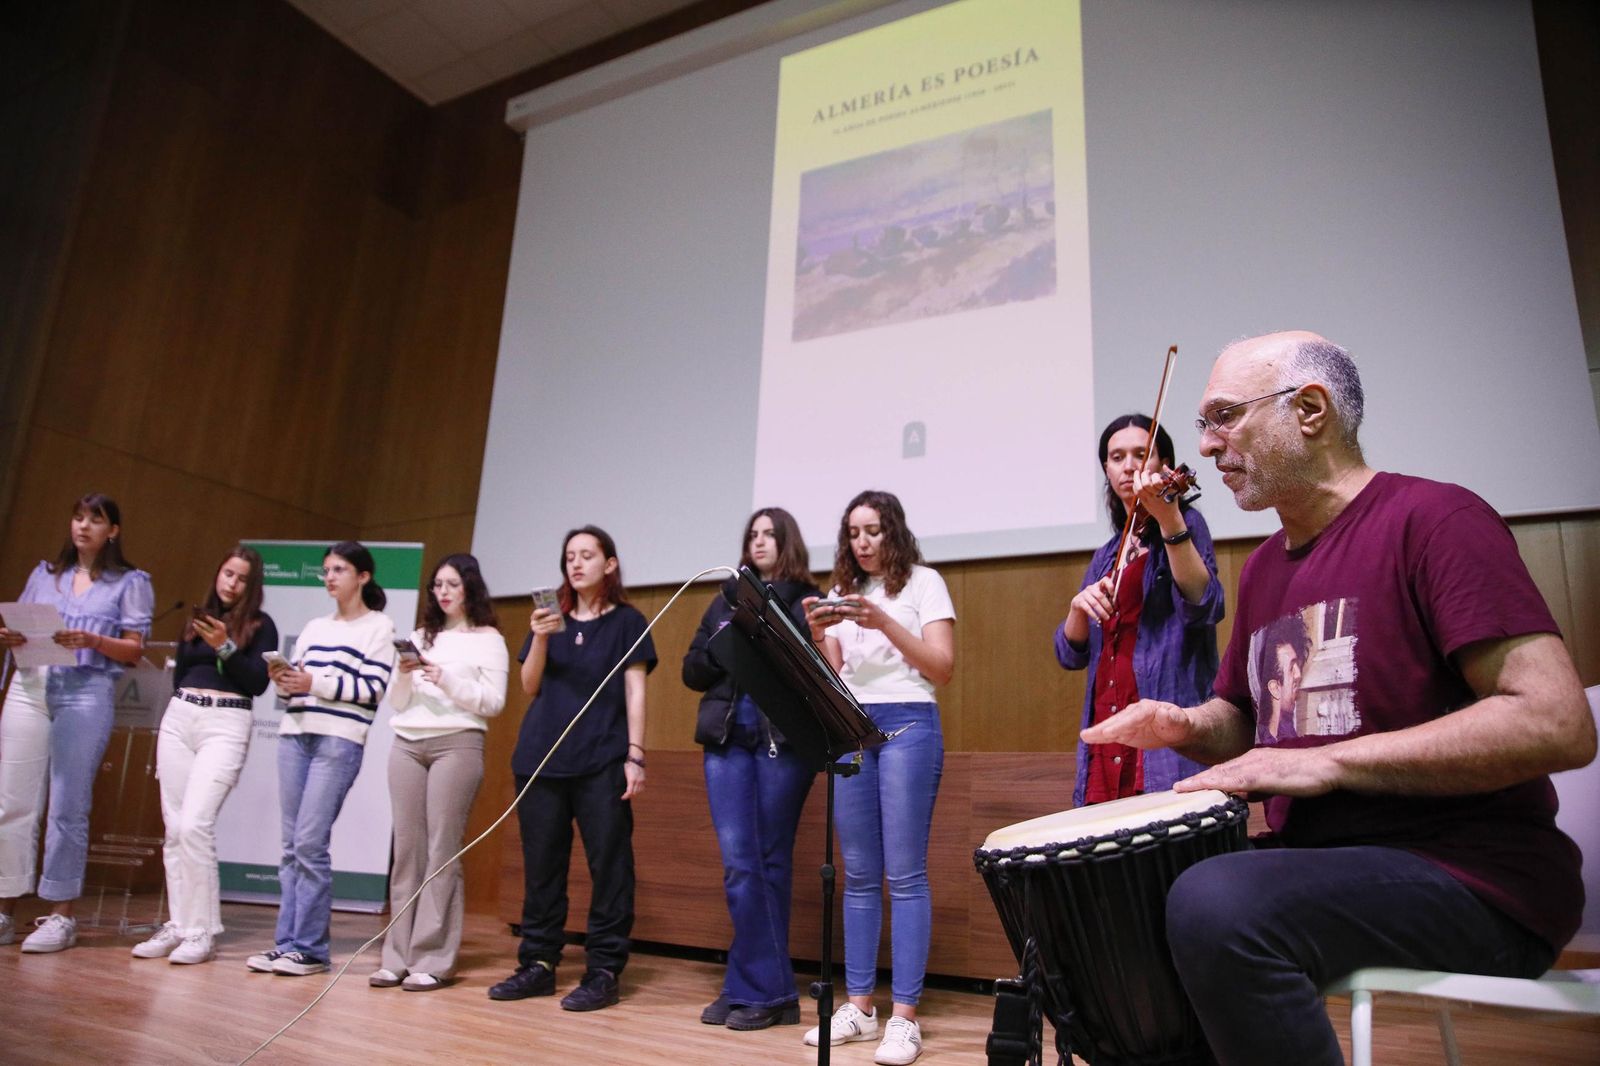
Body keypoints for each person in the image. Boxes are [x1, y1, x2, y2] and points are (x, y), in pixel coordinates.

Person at [1083, 331, 1596, 1065]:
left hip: (1475, 877)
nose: (1205, 444)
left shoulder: (1435, 522)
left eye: (1224, 416)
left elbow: (1556, 722)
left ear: (1312, 410)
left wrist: (1329, 764)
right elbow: (1244, 723)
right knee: (1127, 898)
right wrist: (1181, 723)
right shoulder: (1263, 569)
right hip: (1319, 865)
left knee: (1219, 904)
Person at [802, 490, 955, 1066]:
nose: (862, 542)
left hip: (910, 724)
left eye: (872, 531)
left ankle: (905, 1018)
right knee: (859, 873)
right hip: (853, 725)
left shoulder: (923, 582)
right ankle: (861, 1008)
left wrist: (883, 620)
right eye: (853, 533)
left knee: (905, 873)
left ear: (893, 531)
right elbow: (833, 676)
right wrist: (818, 631)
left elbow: (941, 667)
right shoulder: (846, 593)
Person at [490, 526, 656, 1013]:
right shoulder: (549, 620)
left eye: (587, 555)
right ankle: (538, 964)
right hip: (540, 760)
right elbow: (528, 685)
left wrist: (636, 755)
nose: (576, 563)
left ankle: (603, 969)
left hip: (602, 760)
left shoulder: (629, 622)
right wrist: (539, 639)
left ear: (609, 564)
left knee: (611, 867)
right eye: (569, 556)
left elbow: (636, 692)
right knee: (542, 867)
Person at [684, 508, 821, 1031]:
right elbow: (692, 669)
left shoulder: (804, 597)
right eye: (753, 534)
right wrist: (729, 646)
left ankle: (755, 987)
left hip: (781, 744)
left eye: (770, 534)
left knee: (767, 862)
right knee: (741, 864)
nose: (759, 541)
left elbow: (811, 670)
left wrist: (761, 636)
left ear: (787, 542)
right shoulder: (722, 599)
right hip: (725, 743)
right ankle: (765, 989)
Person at [0, 493, 154, 953]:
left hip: (85, 692)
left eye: (95, 519)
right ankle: (4, 909)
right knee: (12, 801)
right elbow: (17, 625)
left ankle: (61, 914)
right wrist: (9, 635)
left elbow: (134, 648)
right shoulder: (45, 574)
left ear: (113, 531)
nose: (83, 526)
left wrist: (92, 639)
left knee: (69, 804)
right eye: (78, 517)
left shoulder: (129, 582)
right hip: (30, 686)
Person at [1054, 414, 1224, 807]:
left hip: (1164, 742)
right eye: (1117, 457)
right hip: (1109, 734)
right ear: (1106, 469)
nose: (1128, 465)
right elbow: (1069, 653)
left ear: (1162, 465)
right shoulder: (1107, 554)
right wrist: (1077, 610)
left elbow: (1206, 605)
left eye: (1141, 454)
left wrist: (1169, 518)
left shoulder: (1186, 525)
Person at [248, 541, 395, 977]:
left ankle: (311, 948)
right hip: (296, 734)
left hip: (338, 739)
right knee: (292, 846)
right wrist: (286, 681)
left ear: (363, 576)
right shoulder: (314, 626)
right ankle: (286, 943)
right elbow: (294, 683)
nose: (330, 577)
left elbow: (372, 689)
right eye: (326, 570)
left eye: (340, 569)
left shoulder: (379, 627)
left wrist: (315, 681)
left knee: (311, 843)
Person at [134, 545, 277, 964]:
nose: (231, 582)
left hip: (226, 722)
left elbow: (256, 683)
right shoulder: (194, 621)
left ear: (252, 586)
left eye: (241, 578)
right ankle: (179, 924)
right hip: (181, 718)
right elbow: (181, 675)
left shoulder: (260, 625)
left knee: (197, 823)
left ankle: (202, 932)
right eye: (227, 573)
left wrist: (225, 646)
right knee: (175, 828)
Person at [370, 553, 507, 992]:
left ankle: (432, 958)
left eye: (451, 584)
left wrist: (444, 677)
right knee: (407, 851)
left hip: (458, 743)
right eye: (437, 585)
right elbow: (397, 701)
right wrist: (409, 674)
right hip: (407, 742)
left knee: (441, 850)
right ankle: (395, 955)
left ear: (470, 587)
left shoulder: (489, 639)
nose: (443, 592)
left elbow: (492, 703)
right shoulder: (419, 635)